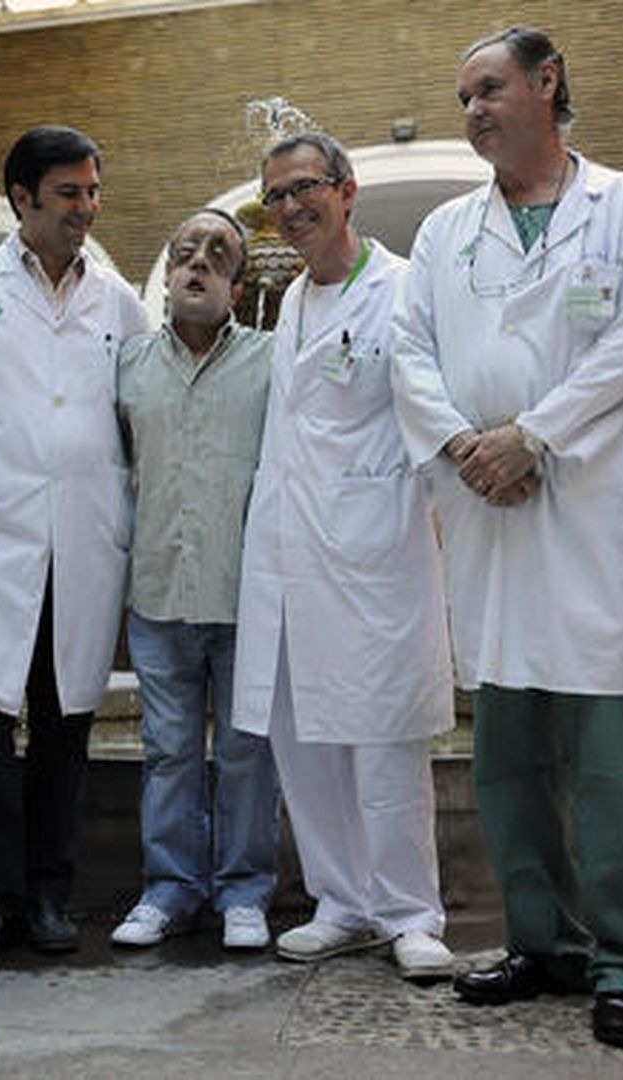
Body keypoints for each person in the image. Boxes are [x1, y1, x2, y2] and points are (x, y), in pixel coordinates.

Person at [391, 26, 623, 1045]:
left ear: (546, 82)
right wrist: (467, 448)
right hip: (486, 508)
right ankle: (542, 940)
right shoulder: (445, 231)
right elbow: (408, 354)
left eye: (488, 89)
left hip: (586, 503)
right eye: (463, 97)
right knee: (506, 757)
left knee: (609, 761)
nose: (472, 110)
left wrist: (534, 437)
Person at [0, 125, 149, 970]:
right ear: (22, 199)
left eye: (93, 192)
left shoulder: (116, 300)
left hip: (81, 540)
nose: (87, 208)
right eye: (69, 194)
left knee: (65, 722)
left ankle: (47, 892)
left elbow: (140, 411)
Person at [232, 132, 456, 984]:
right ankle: (342, 901)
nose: (291, 208)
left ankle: (411, 912)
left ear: (348, 190)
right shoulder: (290, 299)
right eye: (276, 197)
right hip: (288, 551)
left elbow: (433, 410)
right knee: (301, 735)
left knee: (385, 736)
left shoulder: (403, 289)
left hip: (374, 548)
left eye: (305, 188)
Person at [110, 209, 280, 952]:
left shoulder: (271, 361)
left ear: (236, 288)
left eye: (217, 255)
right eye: (185, 252)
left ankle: (244, 891)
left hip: (245, 593)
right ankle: (169, 889)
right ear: (168, 275)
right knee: (169, 750)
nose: (199, 263)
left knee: (247, 751)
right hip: (158, 589)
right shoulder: (127, 366)